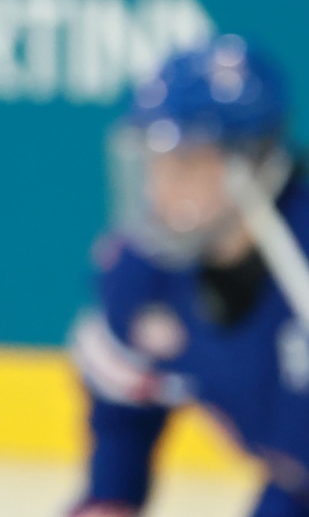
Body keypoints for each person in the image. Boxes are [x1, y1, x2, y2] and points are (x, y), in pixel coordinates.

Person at [69, 36, 309, 517]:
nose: (160, 188)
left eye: (184, 163)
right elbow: (123, 403)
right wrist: (110, 496)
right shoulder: (142, 269)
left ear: (252, 164)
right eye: (154, 163)